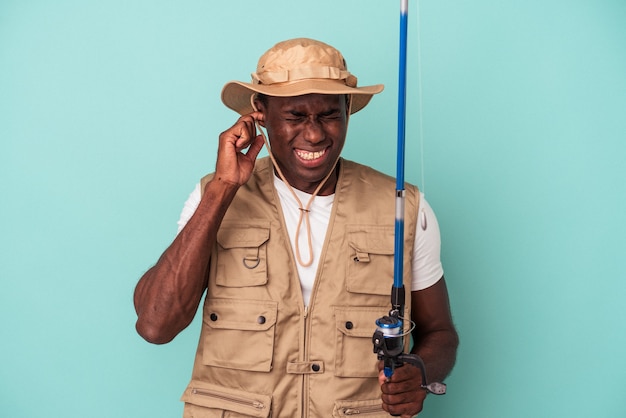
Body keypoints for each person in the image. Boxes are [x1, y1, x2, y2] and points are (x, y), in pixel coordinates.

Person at [134, 38, 458, 418]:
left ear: (348, 109)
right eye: (295, 116)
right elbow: (156, 325)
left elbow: (440, 334)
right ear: (260, 112)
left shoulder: (403, 206)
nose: (315, 134)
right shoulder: (212, 194)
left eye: (329, 115)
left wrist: (418, 372)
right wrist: (223, 189)